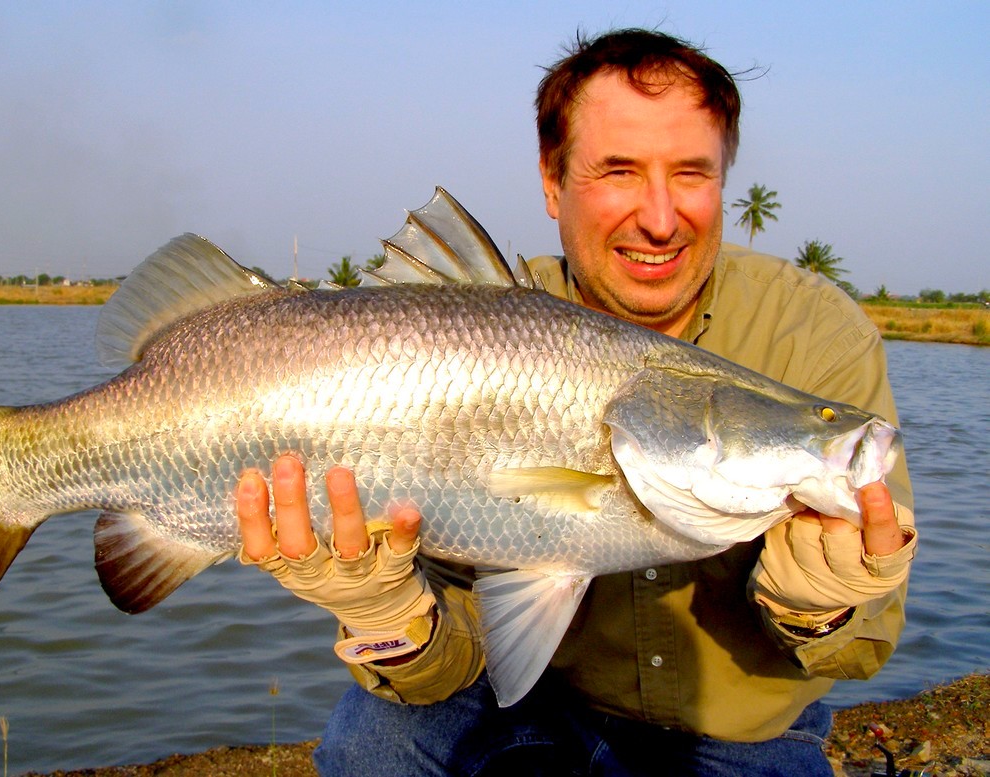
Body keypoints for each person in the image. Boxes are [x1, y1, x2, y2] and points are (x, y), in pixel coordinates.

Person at [235, 28, 917, 776]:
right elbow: (453, 658)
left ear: (725, 179)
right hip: (520, 704)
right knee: (375, 739)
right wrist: (386, 616)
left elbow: (863, 648)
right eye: (619, 171)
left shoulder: (813, 332)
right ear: (552, 181)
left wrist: (824, 607)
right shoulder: (470, 313)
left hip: (741, 736)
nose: (660, 218)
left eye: (691, 173)